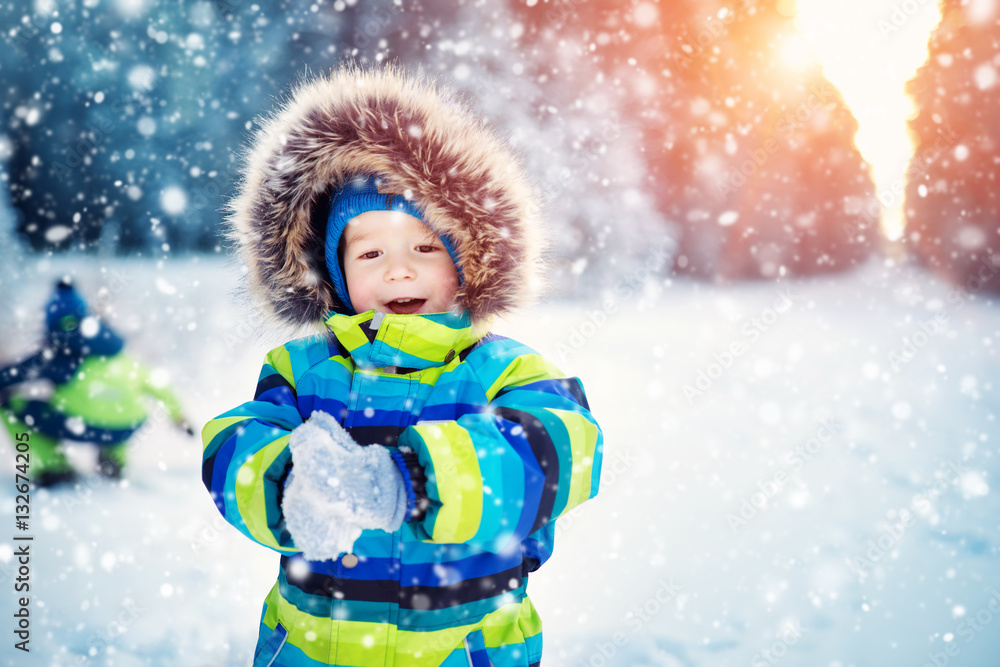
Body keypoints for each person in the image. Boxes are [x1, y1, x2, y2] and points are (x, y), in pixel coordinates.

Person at [202, 65, 603, 667]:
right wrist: (289, 485)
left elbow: (565, 453)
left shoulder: (505, 371)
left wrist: (410, 481)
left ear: (468, 259)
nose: (399, 271)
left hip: (464, 649)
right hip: (314, 650)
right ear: (334, 273)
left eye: (425, 247)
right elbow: (231, 447)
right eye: (370, 252)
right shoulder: (303, 372)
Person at [0, 279, 191, 486]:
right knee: (118, 408)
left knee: (11, 405)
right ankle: (113, 461)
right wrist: (179, 417)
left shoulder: (57, 353)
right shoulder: (117, 352)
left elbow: (9, 376)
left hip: (81, 422)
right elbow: (159, 385)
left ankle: (54, 467)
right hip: (127, 424)